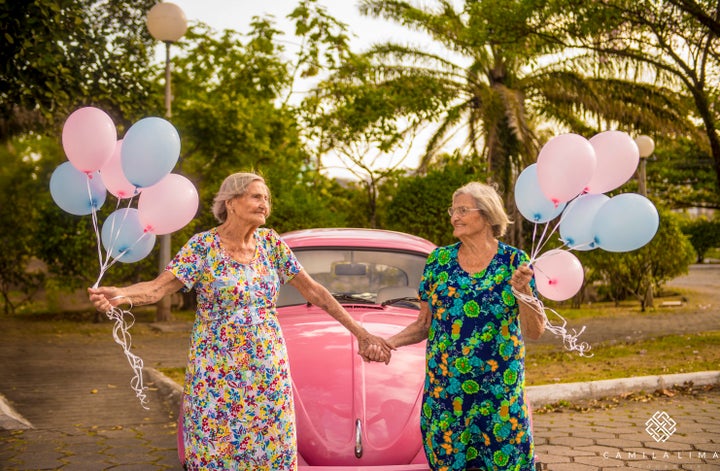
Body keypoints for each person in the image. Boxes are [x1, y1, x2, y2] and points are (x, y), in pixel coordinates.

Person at [88, 172, 392, 470]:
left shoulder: (271, 244)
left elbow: (315, 290)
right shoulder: (202, 246)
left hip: (266, 371)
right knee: (214, 447)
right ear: (230, 202)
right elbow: (159, 287)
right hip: (216, 373)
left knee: (270, 449)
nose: (265, 204)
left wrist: (360, 332)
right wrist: (121, 294)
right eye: (256, 196)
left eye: (267, 199)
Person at [377, 182, 545, 470]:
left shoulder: (514, 262)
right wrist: (387, 342)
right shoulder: (438, 261)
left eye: (463, 210)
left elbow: (535, 330)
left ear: (488, 215)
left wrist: (525, 293)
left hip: (499, 393)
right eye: (452, 210)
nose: (454, 216)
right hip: (447, 393)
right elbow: (423, 325)